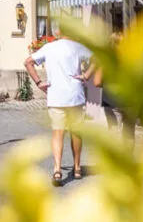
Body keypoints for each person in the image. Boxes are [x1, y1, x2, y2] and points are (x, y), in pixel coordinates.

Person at [24, 33, 92, 186]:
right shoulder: (78, 47)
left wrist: (39, 82)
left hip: (56, 95)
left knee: (57, 132)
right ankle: (77, 168)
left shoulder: (49, 47)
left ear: (59, 33)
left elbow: (28, 62)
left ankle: (57, 169)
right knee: (76, 132)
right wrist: (86, 75)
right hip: (75, 95)